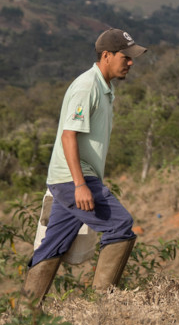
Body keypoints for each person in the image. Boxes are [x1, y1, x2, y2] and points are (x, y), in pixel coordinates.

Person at [22, 29, 146, 301]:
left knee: (54, 243)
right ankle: (103, 302)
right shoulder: (86, 86)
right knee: (120, 225)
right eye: (126, 57)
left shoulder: (104, 87)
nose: (131, 62)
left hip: (73, 178)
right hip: (73, 178)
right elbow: (69, 136)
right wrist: (80, 184)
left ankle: (26, 314)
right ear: (106, 56)